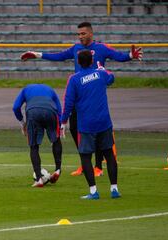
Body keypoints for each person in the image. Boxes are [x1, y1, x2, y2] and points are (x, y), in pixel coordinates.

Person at [20, 21, 143, 177]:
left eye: (83, 33)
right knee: (75, 129)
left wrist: (131, 56)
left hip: (94, 97)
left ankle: (98, 166)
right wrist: (37, 55)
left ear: (91, 33)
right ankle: (85, 164)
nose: (80, 37)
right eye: (78, 34)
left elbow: (118, 56)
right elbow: (59, 56)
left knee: (95, 130)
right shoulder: (76, 48)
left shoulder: (101, 48)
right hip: (79, 97)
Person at [61, 49, 120, 199]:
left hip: (87, 124)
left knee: (86, 156)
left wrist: (63, 121)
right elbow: (111, 79)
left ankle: (93, 191)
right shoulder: (100, 74)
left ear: (78, 62)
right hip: (104, 122)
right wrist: (104, 69)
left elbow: (68, 102)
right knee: (109, 154)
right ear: (92, 61)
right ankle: (114, 189)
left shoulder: (74, 79)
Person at [13, 84, 63, 187]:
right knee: (56, 139)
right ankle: (58, 170)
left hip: (33, 111)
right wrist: (61, 124)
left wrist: (23, 123)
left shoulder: (25, 89)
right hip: (50, 111)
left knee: (34, 146)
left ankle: (39, 179)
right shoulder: (50, 89)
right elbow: (59, 109)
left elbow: (16, 107)